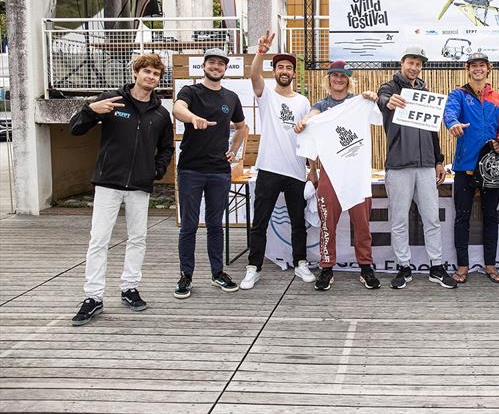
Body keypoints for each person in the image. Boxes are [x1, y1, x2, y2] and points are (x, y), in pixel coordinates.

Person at [68, 54, 174, 326]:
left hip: (140, 185)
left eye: (156, 74)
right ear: (136, 73)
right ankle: (93, 297)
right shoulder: (112, 101)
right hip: (108, 182)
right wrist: (91, 110)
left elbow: (166, 148)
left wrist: (156, 171)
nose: (151, 77)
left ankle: (129, 288)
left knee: (137, 238)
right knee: (99, 240)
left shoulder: (161, 113)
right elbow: (75, 129)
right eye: (147, 71)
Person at [294, 61, 381, 291]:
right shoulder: (321, 106)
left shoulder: (358, 103)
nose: (339, 79)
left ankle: (365, 266)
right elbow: (310, 120)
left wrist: (371, 97)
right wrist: (304, 124)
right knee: (327, 224)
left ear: (349, 80)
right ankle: (326, 267)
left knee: (362, 224)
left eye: (343, 76)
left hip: (357, 173)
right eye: (335, 75)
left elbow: (379, 116)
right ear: (329, 79)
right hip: (330, 174)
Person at [377, 47, 456, 289]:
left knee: (431, 218)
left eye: (418, 64)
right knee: (399, 219)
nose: (414, 67)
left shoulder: (426, 93)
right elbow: (381, 100)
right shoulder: (389, 88)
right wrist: (388, 102)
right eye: (411, 62)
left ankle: (436, 267)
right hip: (399, 165)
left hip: (425, 166)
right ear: (402, 63)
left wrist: (439, 160)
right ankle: (404, 267)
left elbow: (433, 131)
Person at [241, 32, 315, 289]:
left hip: (295, 170)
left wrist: (311, 169)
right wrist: (260, 52)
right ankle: (254, 267)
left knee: (298, 222)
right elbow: (253, 76)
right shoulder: (267, 95)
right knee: (259, 222)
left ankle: (301, 263)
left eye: (289, 67)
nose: (285, 71)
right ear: (274, 71)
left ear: (294, 73)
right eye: (280, 67)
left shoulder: (304, 101)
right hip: (269, 168)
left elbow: (310, 137)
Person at [172, 48, 247, 298]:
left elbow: (242, 127)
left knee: (215, 225)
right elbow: (177, 109)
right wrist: (194, 118)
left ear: (225, 69)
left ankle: (217, 273)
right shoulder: (190, 92)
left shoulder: (231, 97)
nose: (216, 67)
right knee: (189, 226)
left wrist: (233, 150)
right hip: (191, 169)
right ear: (203, 66)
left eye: (220, 64)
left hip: (219, 171)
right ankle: (186, 276)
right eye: (211, 63)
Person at [443, 52, 499, 284]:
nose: (478, 69)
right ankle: (462, 267)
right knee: (462, 217)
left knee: (491, 216)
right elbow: (449, 113)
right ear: (467, 69)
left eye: (482, 65)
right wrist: (453, 124)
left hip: (490, 169)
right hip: (464, 167)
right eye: (474, 66)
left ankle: (490, 265)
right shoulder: (458, 94)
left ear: (488, 69)